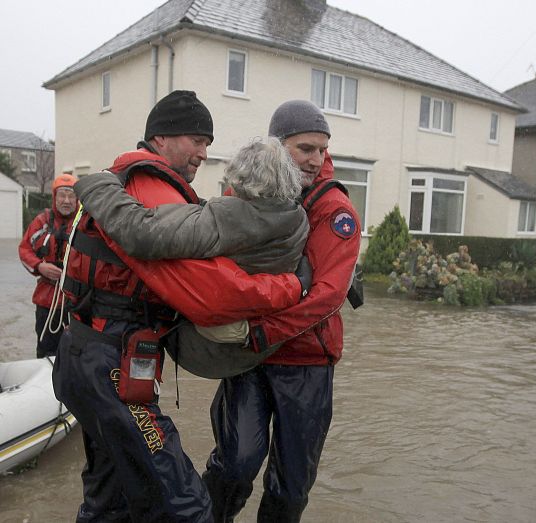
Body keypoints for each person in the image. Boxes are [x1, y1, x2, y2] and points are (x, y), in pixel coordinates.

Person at [52, 90, 310, 523]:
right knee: (187, 505)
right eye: (197, 140)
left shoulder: (129, 174)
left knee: (108, 500)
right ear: (163, 137)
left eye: (208, 144)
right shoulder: (152, 186)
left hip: (84, 354)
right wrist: (291, 287)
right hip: (112, 364)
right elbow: (212, 295)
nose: (203, 154)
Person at [203, 100, 361, 522]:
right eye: (305, 148)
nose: (317, 159)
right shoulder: (246, 195)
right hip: (250, 360)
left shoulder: (335, 210)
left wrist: (262, 332)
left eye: (322, 150)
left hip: (304, 362)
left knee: (290, 488)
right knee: (234, 466)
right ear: (277, 145)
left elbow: (327, 297)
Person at [73, 137, 311, 378]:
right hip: (260, 346)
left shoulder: (228, 219)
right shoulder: (298, 218)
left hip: (210, 350)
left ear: (241, 179)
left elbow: (141, 233)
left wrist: (98, 186)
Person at [18, 173, 78, 358]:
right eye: (62, 195)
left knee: (74, 355)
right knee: (46, 354)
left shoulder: (84, 224)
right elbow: (24, 250)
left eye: (71, 195)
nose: (66, 200)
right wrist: (39, 266)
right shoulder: (42, 221)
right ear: (54, 197)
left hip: (76, 303)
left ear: (77, 199)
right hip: (47, 302)